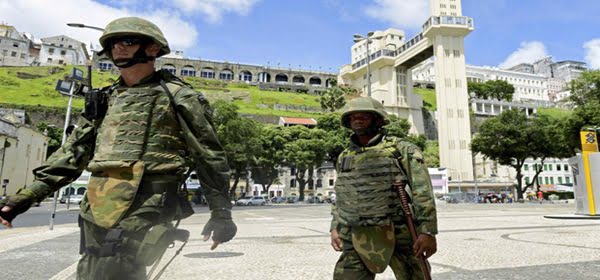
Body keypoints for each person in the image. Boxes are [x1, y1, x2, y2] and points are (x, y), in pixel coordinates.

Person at [0, 17, 236, 279]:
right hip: (97, 204)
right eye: (113, 43)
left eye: (128, 41)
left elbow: (209, 156)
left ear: (153, 48)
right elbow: (74, 152)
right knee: (90, 270)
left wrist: (221, 213)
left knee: (115, 268)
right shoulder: (104, 98)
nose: (118, 48)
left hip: (147, 202)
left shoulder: (180, 96)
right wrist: (24, 198)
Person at [330, 97, 437, 280]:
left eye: (364, 116)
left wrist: (427, 231)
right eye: (353, 117)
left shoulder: (401, 150)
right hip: (355, 232)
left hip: (399, 231)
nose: (358, 120)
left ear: (378, 120)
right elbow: (341, 193)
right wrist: (335, 227)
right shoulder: (345, 156)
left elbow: (423, 191)